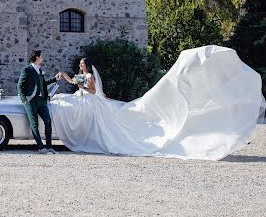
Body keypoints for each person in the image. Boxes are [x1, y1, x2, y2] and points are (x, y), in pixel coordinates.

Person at [50, 45, 265, 161]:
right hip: (84, 100)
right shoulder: (80, 76)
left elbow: (92, 90)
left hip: (91, 100)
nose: (80, 66)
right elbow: (74, 82)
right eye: (79, 64)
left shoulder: (89, 78)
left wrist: (83, 88)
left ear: (87, 66)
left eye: (82, 64)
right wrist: (65, 77)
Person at [17, 49, 62, 154]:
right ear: (37, 57)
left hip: (41, 101)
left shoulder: (40, 70)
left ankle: (49, 146)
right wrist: (24, 100)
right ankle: (41, 147)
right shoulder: (26, 69)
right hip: (31, 101)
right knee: (34, 124)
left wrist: (55, 79)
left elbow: (43, 84)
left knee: (48, 121)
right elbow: (20, 85)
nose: (42, 58)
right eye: (41, 56)